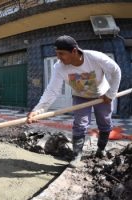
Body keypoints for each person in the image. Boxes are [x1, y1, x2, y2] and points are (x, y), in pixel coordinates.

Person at [27, 35, 121, 168]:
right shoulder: (59, 67)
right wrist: (38, 110)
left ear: (74, 51)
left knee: (105, 122)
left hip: (102, 96)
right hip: (80, 96)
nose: (58, 57)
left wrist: (110, 94)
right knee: (80, 125)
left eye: (61, 54)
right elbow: (52, 90)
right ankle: (77, 155)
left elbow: (116, 71)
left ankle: (101, 149)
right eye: (57, 53)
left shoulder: (95, 58)